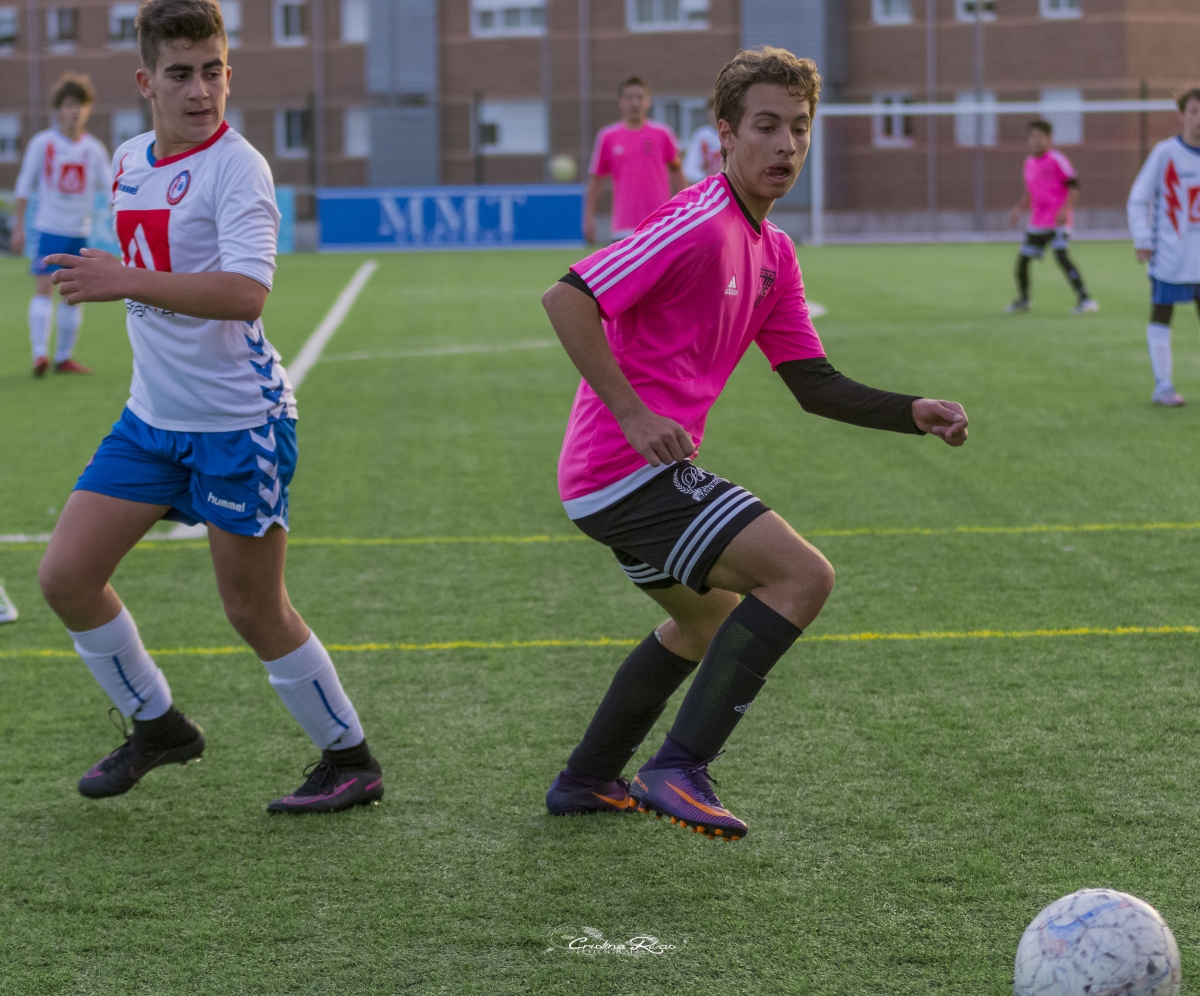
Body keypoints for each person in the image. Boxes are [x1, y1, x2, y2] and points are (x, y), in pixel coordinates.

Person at [540, 47, 969, 841]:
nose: (786, 145)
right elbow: (567, 298)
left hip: (633, 476)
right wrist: (633, 415)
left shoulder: (774, 252)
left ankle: (587, 778)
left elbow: (814, 385)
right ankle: (679, 767)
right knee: (803, 576)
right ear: (725, 135)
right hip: (621, 470)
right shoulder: (699, 220)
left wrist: (912, 411)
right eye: (766, 126)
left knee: (705, 623)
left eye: (798, 128)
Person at [36, 0, 383, 814]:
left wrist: (123, 277)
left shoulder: (240, 167)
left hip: (238, 424)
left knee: (253, 610)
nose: (200, 90)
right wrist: (117, 270)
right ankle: (158, 727)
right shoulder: (129, 158)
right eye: (181, 74)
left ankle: (350, 760)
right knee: (67, 578)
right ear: (146, 82)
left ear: (230, 73)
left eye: (213, 71)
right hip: (151, 422)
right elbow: (157, 264)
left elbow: (245, 292)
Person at [12, 74, 111, 377]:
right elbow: (24, 185)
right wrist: (19, 226)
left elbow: (111, 191)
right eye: (68, 105)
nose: (74, 111)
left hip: (79, 232)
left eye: (80, 105)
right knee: (44, 288)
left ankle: (64, 357)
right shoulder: (43, 143)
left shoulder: (94, 149)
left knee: (73, 295)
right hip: (49, 229)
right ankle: (40, 355)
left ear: (87, 109)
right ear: (58, 109)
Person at [1127, 87, 1200, 407]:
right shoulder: (1165, 153)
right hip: (1172, 255)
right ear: (1182, 115)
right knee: (1161, 314)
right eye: (1194, 111)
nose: (1199, 118)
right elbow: (1138, 199)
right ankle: (1164, 386)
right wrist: (1142, 239)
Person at [1006, 120, 1097, 316]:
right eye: (1032, 136)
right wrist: (1019, 209)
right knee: (1022, 262)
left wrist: (1066, 210)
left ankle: (1086, 300)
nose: (1035, 140)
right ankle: (1023, 300)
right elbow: (1030, 192)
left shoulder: (1057, 159)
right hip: (1037, 222)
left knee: (1062, 258)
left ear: (1049, 138)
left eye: (1039, 136)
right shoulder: (1028, 163)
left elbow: (1074, 186)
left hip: (1057, 222)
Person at [583, 77, 683, 244]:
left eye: (639, 97)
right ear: (620, 102)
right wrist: (588, 217)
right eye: (629, 97)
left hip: (660, 224)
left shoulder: (663, 134)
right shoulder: (608, 137)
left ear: (648, 101)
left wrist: (689, 211)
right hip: (623, 227)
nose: (635, 102)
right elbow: (596, 180)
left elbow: (677, 173)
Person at [681, 102, 723, 184]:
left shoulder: (733, 135)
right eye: (712, 116)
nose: (715, 119)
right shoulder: (701, 136)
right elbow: (689, 167)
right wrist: (705, 178)